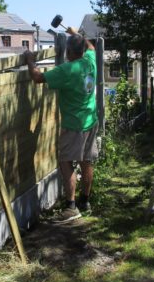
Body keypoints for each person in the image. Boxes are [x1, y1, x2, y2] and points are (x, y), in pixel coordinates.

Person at [23, 27, 98, 223]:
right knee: (86, 161)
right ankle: (85, 201)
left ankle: (71, 207)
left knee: (66, 161)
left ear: (68, 52)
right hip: (91, 121)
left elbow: (38, 77)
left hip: (74, 125)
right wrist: (76, 33)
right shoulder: (90, 61)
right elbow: (91, 46)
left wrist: (30, 60)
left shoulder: (68, 70)